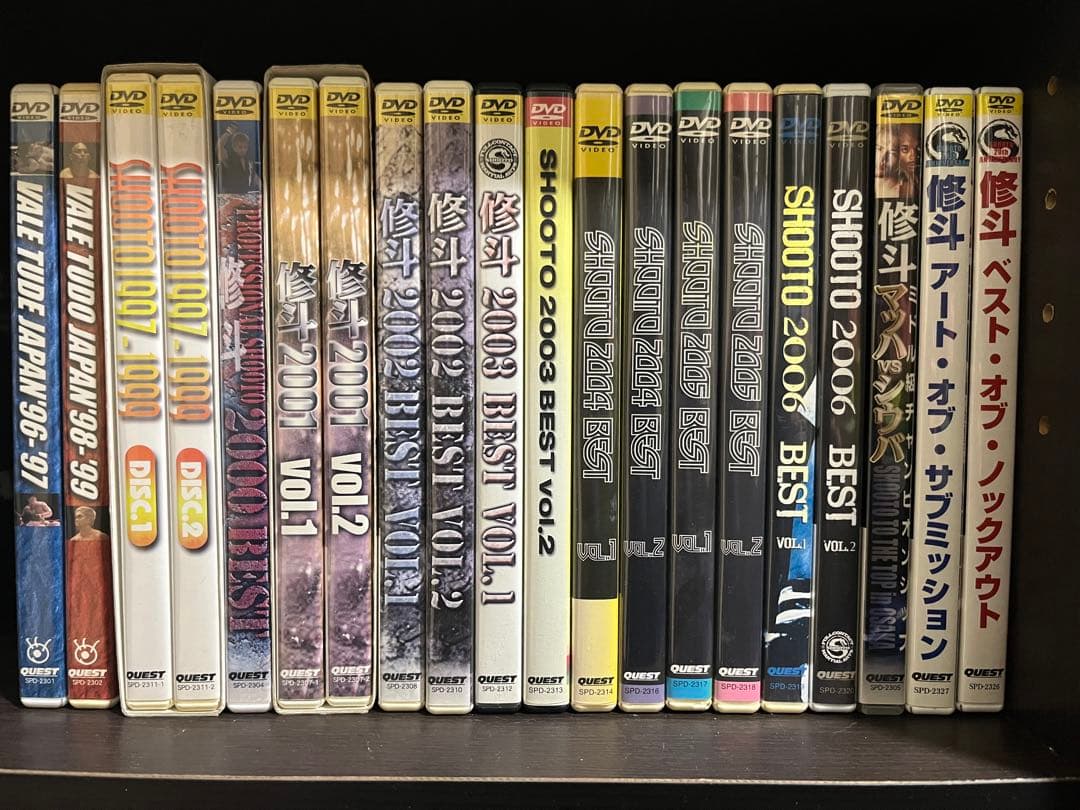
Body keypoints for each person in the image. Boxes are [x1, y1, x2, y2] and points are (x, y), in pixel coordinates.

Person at [217, 127, 260, 193]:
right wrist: (228, 132)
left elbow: (255, 178)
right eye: (240, 147)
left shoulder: (249, 161)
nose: (243, 150)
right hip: (229, 194)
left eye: (245, 147)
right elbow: (220, 146)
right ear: (234, 147)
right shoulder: (228, 158)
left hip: (245, 194)